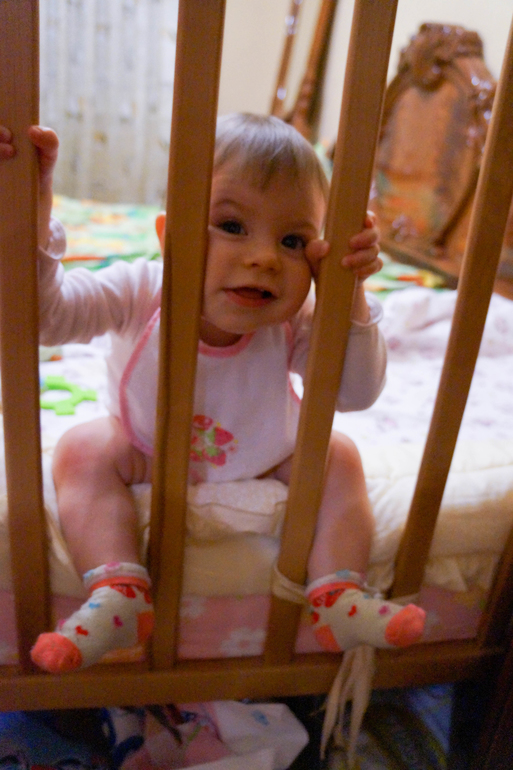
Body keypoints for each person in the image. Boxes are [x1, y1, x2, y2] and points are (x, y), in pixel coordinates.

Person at [0, 114, 425, 674]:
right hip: (145, 447)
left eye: (293, 241)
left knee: (338, 455)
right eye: (231, 225)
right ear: (168, 235)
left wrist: (348, 293)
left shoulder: (295, 318)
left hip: (267, 453)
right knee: (81, 449)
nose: (264, 257)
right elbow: (44, 318)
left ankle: (337, 596)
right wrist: (31, 215)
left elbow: (356, 393)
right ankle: (119, 593)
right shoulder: (139, 289)